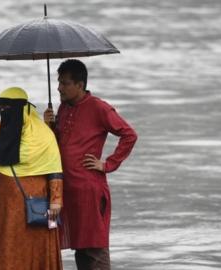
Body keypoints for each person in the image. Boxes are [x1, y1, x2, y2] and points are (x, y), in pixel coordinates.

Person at [44, 59, 137, 270]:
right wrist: (49, 126)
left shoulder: (98, 107)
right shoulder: (63, 107)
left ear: (80, 84)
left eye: (65, 83)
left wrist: (107, 164)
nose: (59, 87)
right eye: (58, 82)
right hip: (66, 190)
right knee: (80, 248)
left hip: (89, 191)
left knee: (94, 248)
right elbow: (58, 145)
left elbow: (129, 135)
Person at [0, 87, 63, 270]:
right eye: (1, 109)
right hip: (6, 203)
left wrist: (56, 202)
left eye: (9, 108)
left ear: (24, 108)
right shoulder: (0, 129)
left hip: (40, 202)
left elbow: (55, 167)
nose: (5, 113)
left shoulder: (44, 134)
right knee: (6, 245)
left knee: (38, 247)